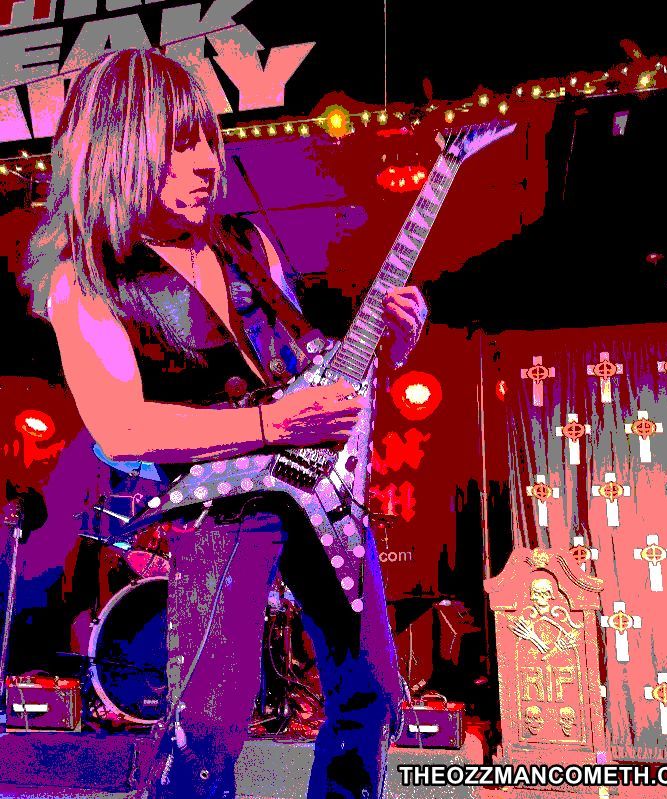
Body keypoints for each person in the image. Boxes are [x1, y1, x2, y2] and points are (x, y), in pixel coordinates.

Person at [24, 49, 427, 799]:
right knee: (206, 728)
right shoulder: (87, 275)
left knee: (371, 694)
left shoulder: (244, 240)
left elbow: (310, 371)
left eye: (209, 140)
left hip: (322, 497)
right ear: (119, 148)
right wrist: (273, 424)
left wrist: (388, 347)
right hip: (220, 509)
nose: (209, 161)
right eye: (182, 144)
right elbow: (121, 427)